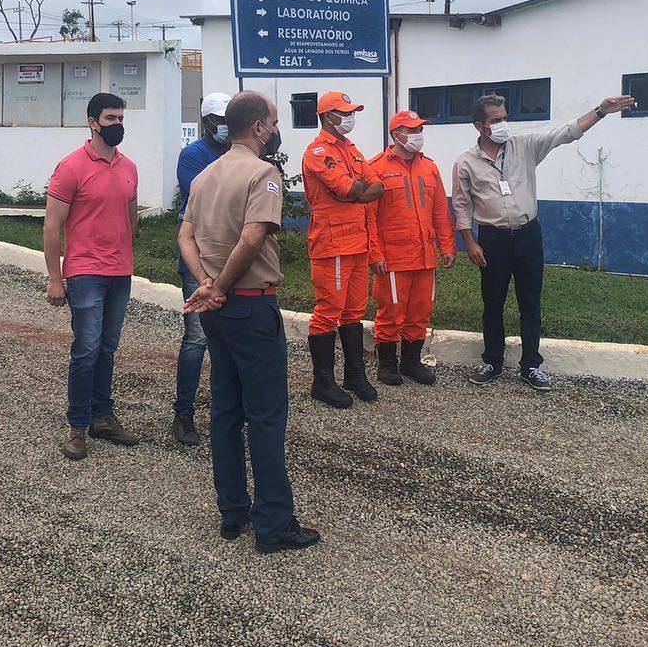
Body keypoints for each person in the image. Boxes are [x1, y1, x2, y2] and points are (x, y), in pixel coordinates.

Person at [179, 91, 320, 555]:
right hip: (249, 305)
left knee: (225, 410)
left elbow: (185, 234)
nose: (277, 129)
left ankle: (232, 512)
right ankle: (274, 523)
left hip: (217, 310)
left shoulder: (205, 175)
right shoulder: (264, 173)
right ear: (259, 127)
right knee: (265, 416)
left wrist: (204, 281)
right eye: (274, 122)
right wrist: (218, 287)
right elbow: (254, 236)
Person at [452, 92, 636, 390]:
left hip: (528, 235)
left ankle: (530, 366)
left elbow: (566, 132)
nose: (503, 125)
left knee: (531, 304)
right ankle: (492, 362)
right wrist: (469, 242)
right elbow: (462, 205)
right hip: (492, 240)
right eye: (495, 120)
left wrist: (600, 111)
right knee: (493, 304)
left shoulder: (524, 146)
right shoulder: (466, 162)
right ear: (479, 126)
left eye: (505, 118)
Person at [45, 92, 141, 461]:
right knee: (86, 348)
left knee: (107, 348)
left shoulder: (129, 167)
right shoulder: (70, 167)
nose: (117, 125)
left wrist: (126, 251)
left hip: (120, 271)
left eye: (120, 118)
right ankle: (77, 427)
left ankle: (102, 416)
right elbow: (52, 226)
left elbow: (131, 217)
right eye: (110, 118)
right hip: (85, 271)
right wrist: (55, 277)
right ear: (92, 122)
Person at [300, 90, 384, 408]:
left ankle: (354, 375)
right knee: (327, 313)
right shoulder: (318, 152)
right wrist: (356, 190)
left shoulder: (352, 149)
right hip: (332, 244)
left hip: (358, 243)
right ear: (326, 116)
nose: (349, 118)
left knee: (354, 312)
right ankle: (323, 382)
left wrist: (356, 192)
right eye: (344, 112)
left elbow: (375, 188)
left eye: (351, 112)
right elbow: (349, 188)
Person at [368, 110, 457, 387]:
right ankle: (386, 364)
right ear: (397, 135)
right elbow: (368, 216)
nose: (419, 135)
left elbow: (440, 210)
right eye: (413, 130)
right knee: (391, 312)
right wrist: (375, 254)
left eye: (420, 129)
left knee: (420, 311)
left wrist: (447, 246)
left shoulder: (429, 167)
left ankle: (410, 362)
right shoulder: (376, 168)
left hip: (425, 255)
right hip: (392, 258)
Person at [171, 92, 232, 445]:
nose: (224, 126)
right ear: (206, 121)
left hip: (229, 257)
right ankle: (184, 412)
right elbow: (201, 197)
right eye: (218, 120)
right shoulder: (194, 154)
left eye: (228, 119)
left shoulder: (236, 152)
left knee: (226, 337)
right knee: (197, 336)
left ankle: (226, 409)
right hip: (197, 257)